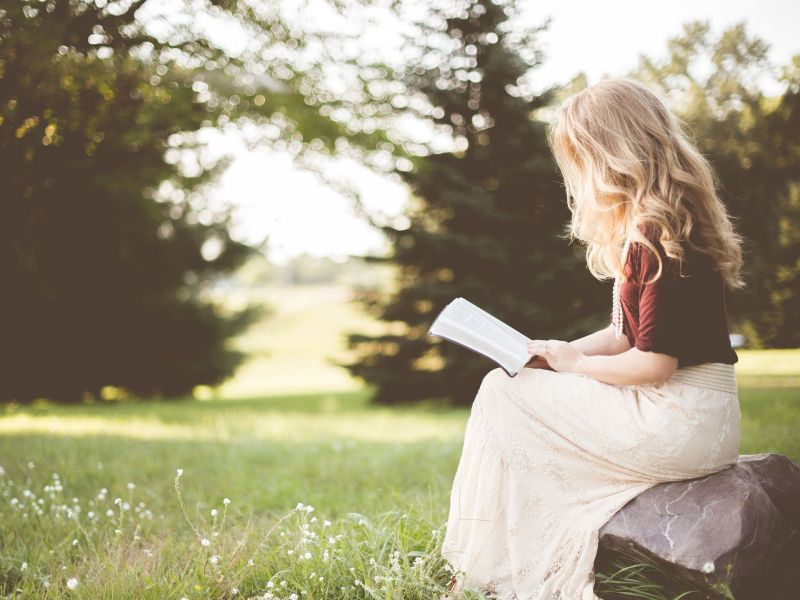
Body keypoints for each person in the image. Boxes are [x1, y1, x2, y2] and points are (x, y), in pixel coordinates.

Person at [440, 78, 745, 600]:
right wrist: (557, 352)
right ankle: (499, 562)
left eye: (581, 157)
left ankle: (492, 567)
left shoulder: (654, 233)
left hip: (678, 417)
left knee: (500, 391)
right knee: (512, 384)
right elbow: (622, 335)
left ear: (612, 154)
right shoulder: (669, 224)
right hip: (702, 416)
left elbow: (653, 365)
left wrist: (574, 367)